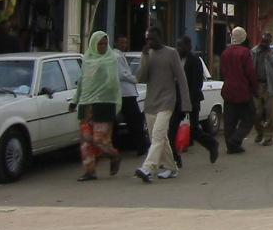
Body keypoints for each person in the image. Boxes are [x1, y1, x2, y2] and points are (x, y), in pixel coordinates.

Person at [134, 26, 190, 182]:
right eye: (147, 39)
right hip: (151, 103)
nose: (150, 42)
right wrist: (145, 56)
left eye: (152, 38)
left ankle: (148, 168)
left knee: (158, 135)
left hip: (167, 101)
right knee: (160, 139)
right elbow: (140, 78)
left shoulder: (171, 53)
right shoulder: (148, 54)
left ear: (160, 37)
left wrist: (186, 104)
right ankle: (172, 168)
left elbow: (182, 79)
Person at [69, 31, 122, 181]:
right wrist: (75, 100)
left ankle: (114, 155)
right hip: (86, 104)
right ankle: (90, 171)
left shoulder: (111, 59)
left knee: (100, 140)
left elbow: (113, 83)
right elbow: (82, 81)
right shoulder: (87, 59)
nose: (103, 46)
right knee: (86, 140)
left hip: (104, 104)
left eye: (105, 43)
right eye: (100, 44)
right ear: (93, 44)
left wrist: (109, 88)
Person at [171, 35, 219, 165]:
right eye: (177, 46)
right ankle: (175, 159)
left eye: (181, 46)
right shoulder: (176, 59)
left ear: (188, 46)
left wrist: (188, 102)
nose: (178, 48)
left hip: (192, 100)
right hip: (177, 100)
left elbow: (197, 84)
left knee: (193, 130)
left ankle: (212, 144)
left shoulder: (195, 61)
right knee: (171, 130)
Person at [220, 26, 257, 154]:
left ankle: (230, 146)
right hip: (243, 90)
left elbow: (223, 72)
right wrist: (255, 88)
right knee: (249, 116)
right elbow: (250, 72)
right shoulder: (245, 52)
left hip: (228, 90)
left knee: (230, 120)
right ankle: (236, 139)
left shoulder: (225, 53)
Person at [112, 34, 148, 155]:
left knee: (125, 121)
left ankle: (126, 146)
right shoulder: (117, 56)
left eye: (125, 42)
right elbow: (122, 74)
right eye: (121, 42)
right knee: (135, 121)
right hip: (125, 94)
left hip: (125, 92)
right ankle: (141, 146)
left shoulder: (120, 55)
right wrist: (135, 79)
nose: (124, 45)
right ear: (116, 43)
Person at [251, 32, 273, 146]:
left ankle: (268, 137)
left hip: (271, 85)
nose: (264, 44)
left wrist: (270, 55)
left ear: (270, 42)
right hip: (258, 85)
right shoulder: (254, 52)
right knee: (256, 113)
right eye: (262, 41)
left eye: (266, 42)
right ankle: (260, 132)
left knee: (272, 114)